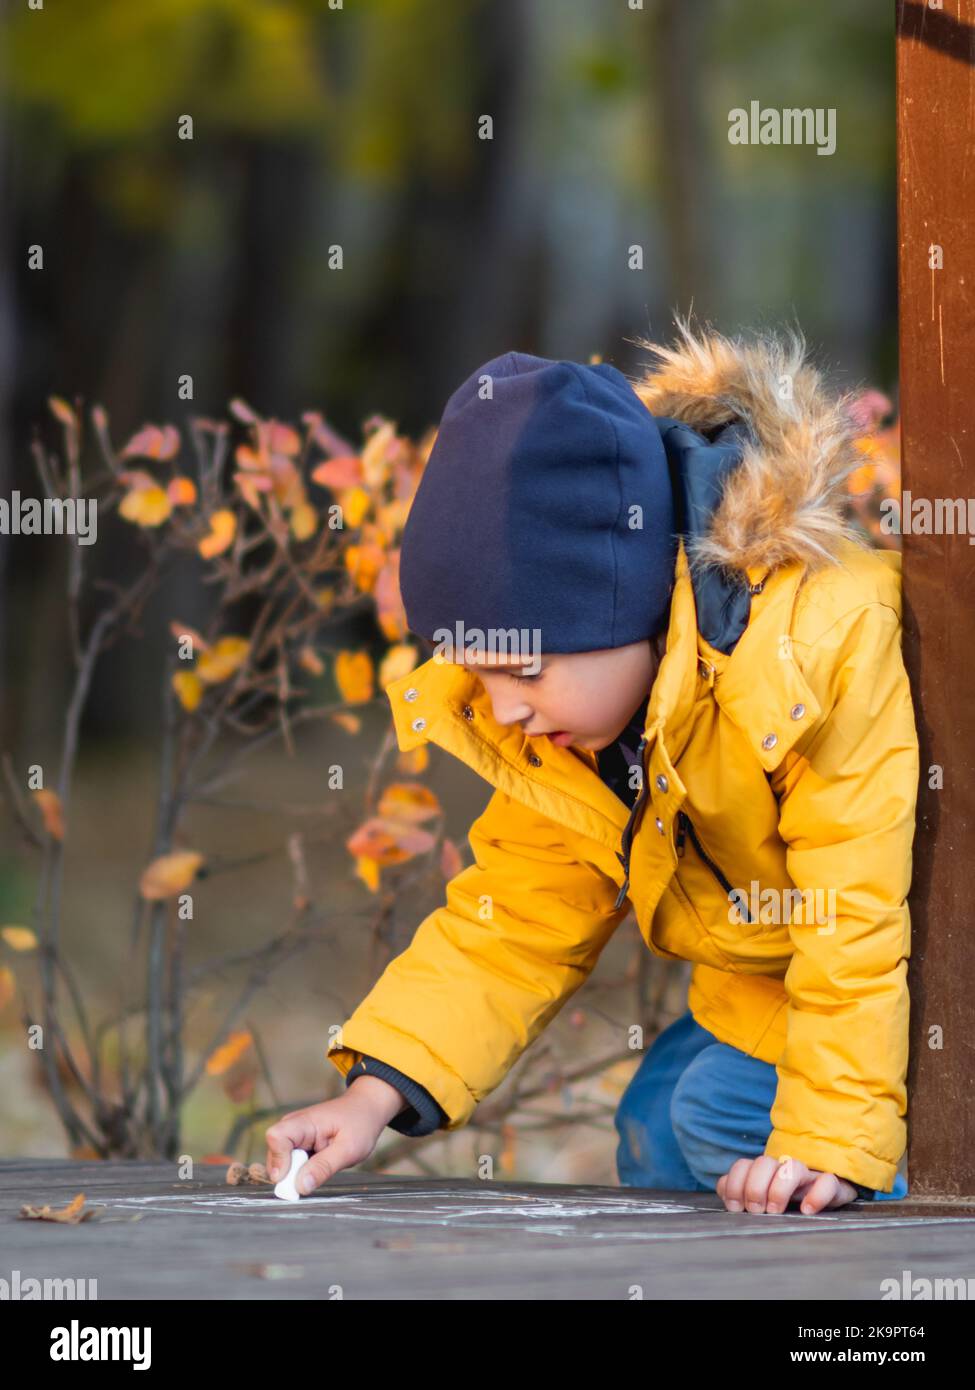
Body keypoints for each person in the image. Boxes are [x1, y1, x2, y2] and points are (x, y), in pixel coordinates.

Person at [265, 320, 918, 1214]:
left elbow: (852, 918)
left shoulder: (816, 649)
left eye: (526, 669)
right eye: (480, 671)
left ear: (633, 598)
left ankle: (892, 1242)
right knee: (651, 1117)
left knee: (709, 1118)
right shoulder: (583, 724)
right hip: (765, 987)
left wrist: (832, 1145)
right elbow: (517, 918)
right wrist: (371, 1096)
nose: (504, 709)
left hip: (912, 984)